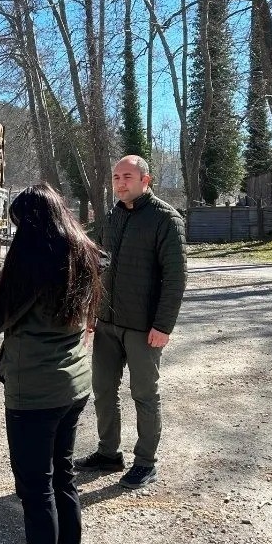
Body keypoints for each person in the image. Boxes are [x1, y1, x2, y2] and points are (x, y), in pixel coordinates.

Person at [0, 183, 101, 544]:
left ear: (27, 222)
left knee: (36, 490)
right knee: (62, 481)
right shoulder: (80, 250)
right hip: (73, 384)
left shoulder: (30, 257)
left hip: (34, 391)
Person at [75, 155, 187, 489]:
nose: (120, 183)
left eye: (127, 176)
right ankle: (109, 453)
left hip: (143, 327)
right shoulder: (113, 216)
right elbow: (101, 270)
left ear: (145, 180)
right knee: (103, 390)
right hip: (108, 322)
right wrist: (93, 312)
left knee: (144, 394)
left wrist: (163, 326)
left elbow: (176, 278)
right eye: (116, 177)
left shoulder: (167, 219)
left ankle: (145, 462)